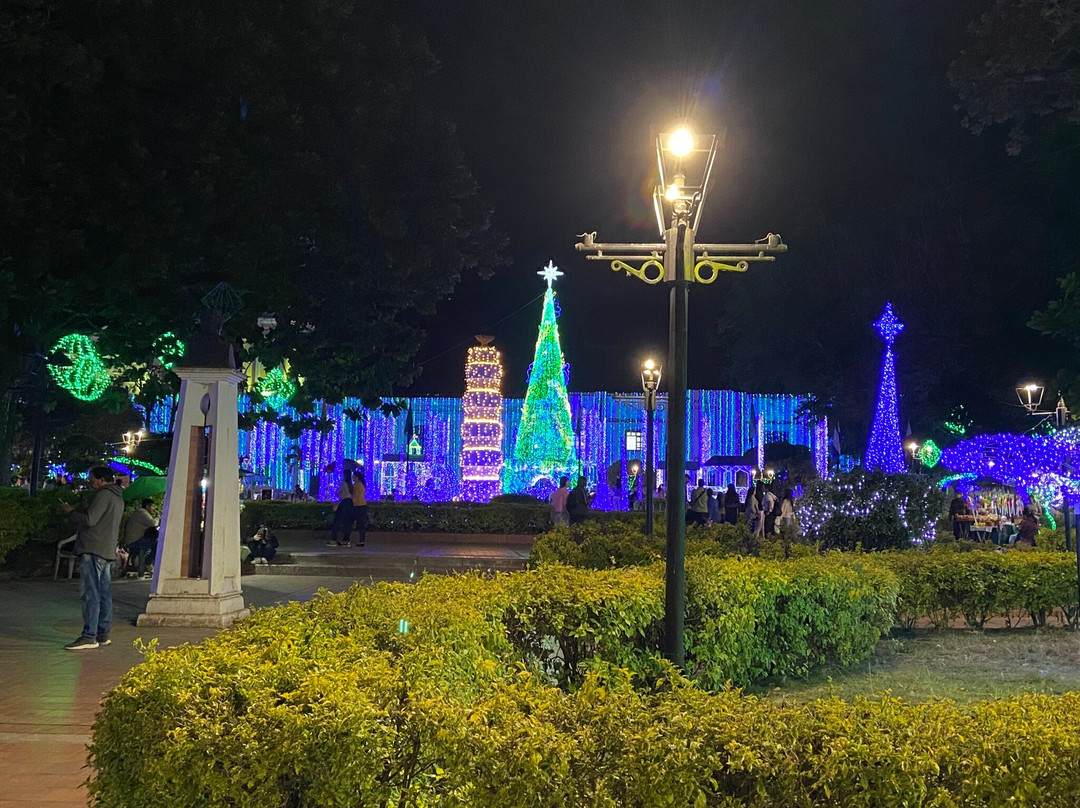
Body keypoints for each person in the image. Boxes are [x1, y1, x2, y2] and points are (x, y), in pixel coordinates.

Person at [61, 466, 124, 650]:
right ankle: (102, 633)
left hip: (93, 548)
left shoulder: (103, 495)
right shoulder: (117, 496)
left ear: (100, 479)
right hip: (106, 548)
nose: (90, 481)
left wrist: (71, 512)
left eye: (92, 478)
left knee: (91, 593)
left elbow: (90, 520)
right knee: (104, 593)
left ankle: (89, 635)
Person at [123, 498, 159, 578]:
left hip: (132, 541)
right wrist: (158, 518)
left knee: (153, 542)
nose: (153, 509)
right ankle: (148, 562)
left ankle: (145, 562)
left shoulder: (138, 512)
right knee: (158, 544)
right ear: (147, 506)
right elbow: (153, 523)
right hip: (136, 542)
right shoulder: (142, 512)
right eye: (152, 507)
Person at [327, 464, 354, 547]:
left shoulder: (343, 483)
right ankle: (346, 540)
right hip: (350, 503)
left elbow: (338, 492)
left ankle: (334, 539)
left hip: (344, 502)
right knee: (347, 522)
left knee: (336, 521)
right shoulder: (351, 485)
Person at [346, 469, 368, 547]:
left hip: (357, 506)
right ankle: (361, 540)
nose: (352, 478)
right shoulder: (362, 484)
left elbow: (353, 495)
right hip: (362, 505)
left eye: (353, 476)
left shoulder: (356, 485)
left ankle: (347, 539)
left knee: (350, 523)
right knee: (361, 524)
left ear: (357, 477)